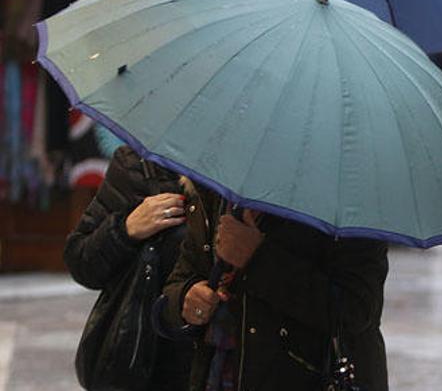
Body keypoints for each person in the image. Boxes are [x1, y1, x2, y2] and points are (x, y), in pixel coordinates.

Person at [161, 187, 390, 391]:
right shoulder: (216, 189)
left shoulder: (350, 197)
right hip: (219, 372)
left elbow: (356, 309)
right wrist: (186, 297)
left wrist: (256, 257)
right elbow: (177, 284)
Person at [64, 145, 192, 390]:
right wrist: (126, 229)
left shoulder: (261, 177)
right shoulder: (142, 163)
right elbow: (81, 261)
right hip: (154, 361)